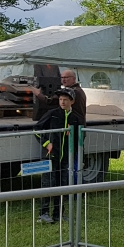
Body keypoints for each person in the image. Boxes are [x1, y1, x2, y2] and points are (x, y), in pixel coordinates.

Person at [34, 88, 84, 223]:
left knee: (62, 185)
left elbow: (81, 138)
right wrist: (46, 143)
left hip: (65, 158)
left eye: (65, 100)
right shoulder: (52, 114)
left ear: (72, 101)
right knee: (48, 184)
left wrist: (75, 151)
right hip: (50, 156)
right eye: (61, 99)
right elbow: (37, 129)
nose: (62, 102)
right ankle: (43, 214)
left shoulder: (76, 118)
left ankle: (59, 214)